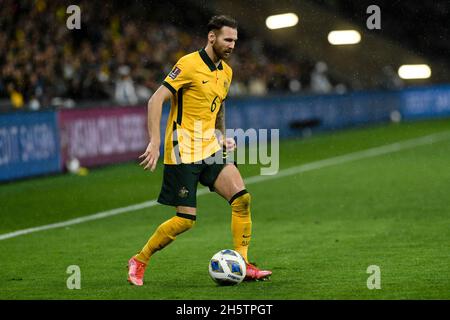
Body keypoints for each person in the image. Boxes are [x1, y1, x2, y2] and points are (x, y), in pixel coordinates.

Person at [127, 15, 272, 286]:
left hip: (210, 147)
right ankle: (140, 259)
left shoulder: (226, 72)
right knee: (185, 220)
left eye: (235, 41)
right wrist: (155, 141)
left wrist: (221, 135)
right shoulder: (188, 64)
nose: (232, 45)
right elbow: (155, 99)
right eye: (227, 39)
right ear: (212, 37)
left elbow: (219, 106)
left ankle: (242, 264)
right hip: (182, 150)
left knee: (242, 199)